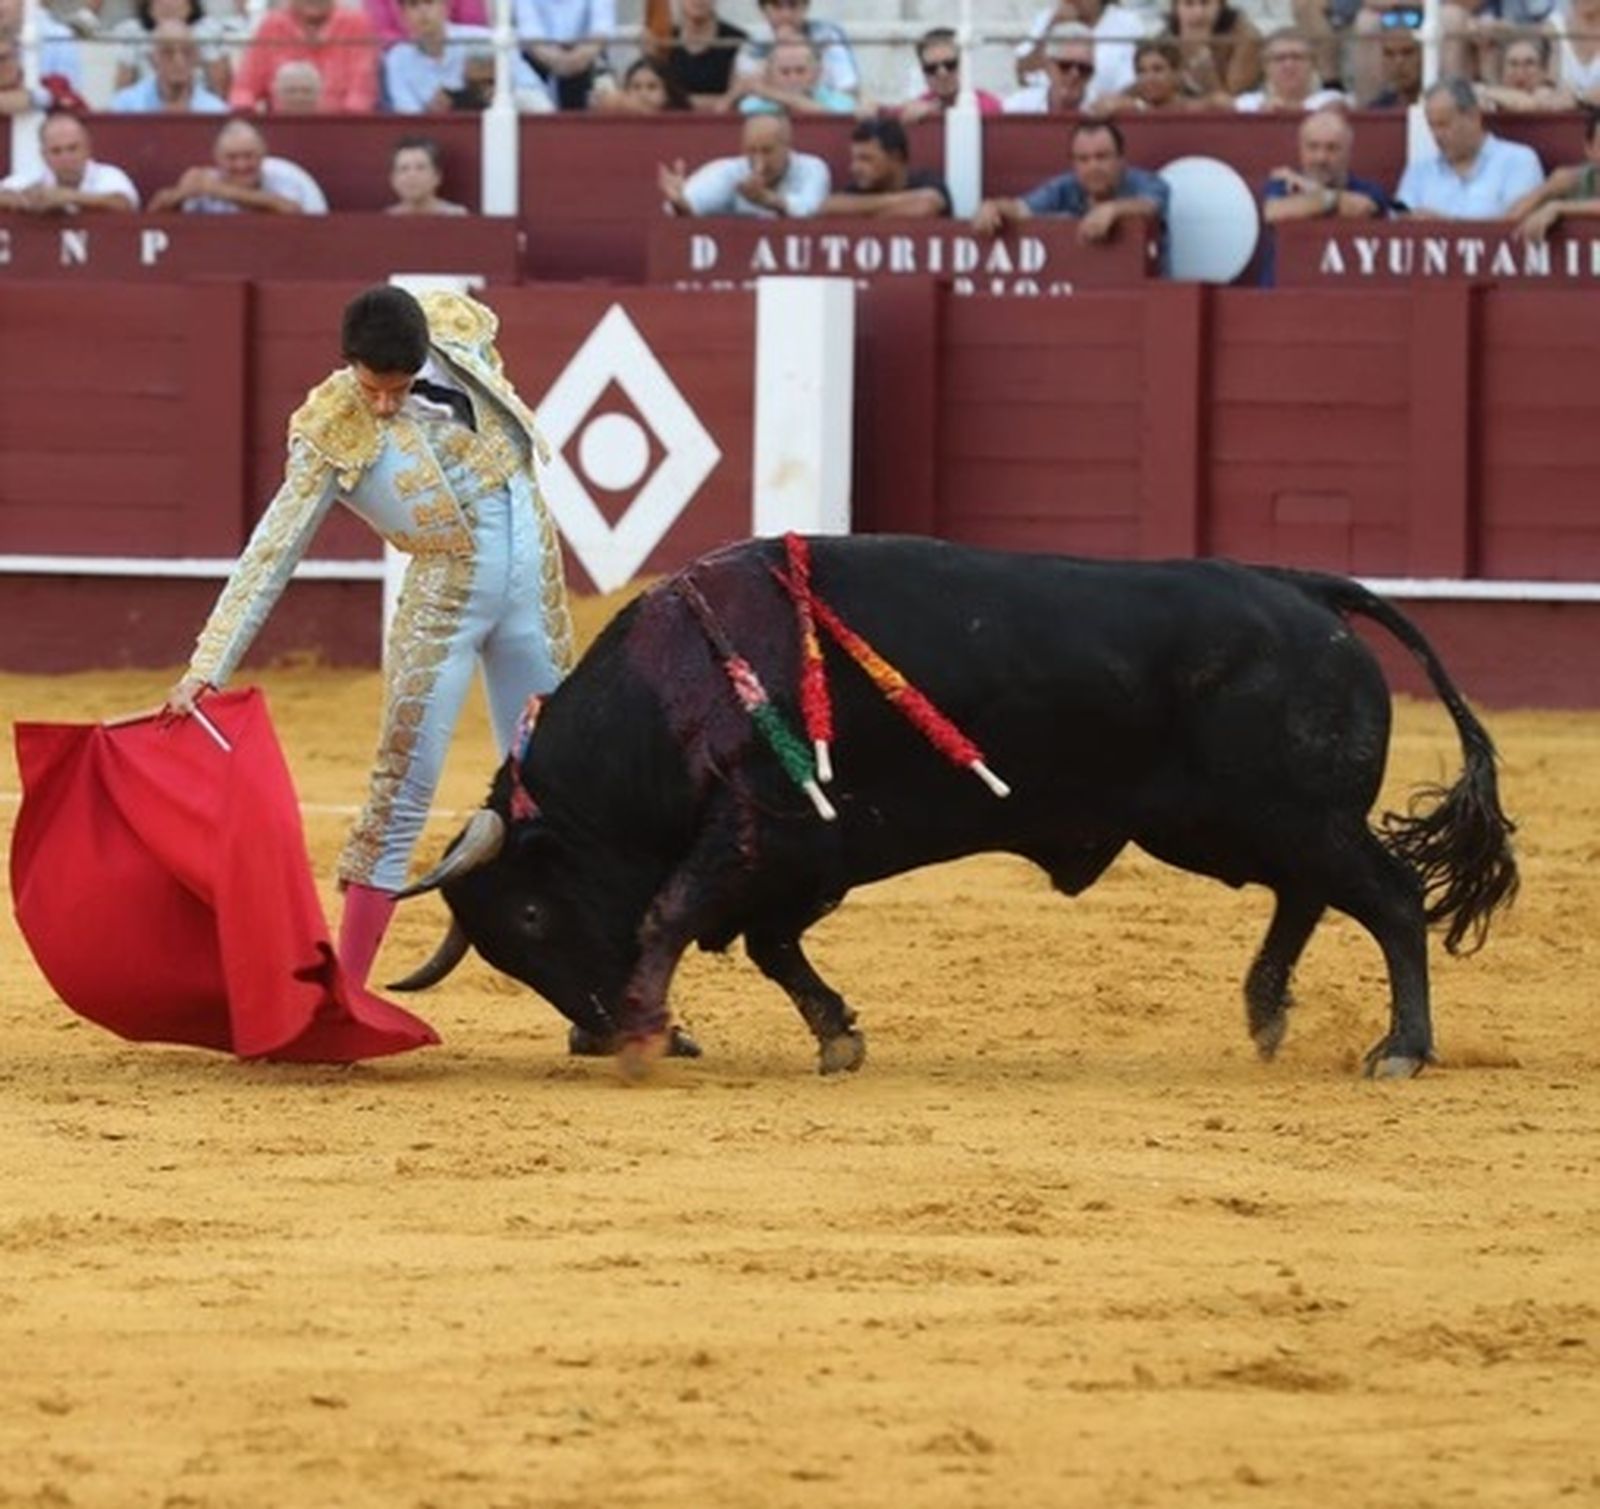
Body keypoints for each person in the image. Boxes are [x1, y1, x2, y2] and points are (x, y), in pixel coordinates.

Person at [163, 285, 576, 992]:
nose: (382, 402)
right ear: (347, 362)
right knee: (402, 789)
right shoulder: (332, 426)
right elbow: (273, 549)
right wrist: (209, 664)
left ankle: (611, 999)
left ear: (425, 358)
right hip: (443, 608)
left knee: (570, 787)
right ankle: (344, 993)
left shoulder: (459, 330)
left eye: (399, 387)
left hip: (535, 592)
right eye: (370, 386)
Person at [973, 117, 1171, 272]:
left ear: (1121, 160)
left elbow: (1152, 204)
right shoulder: (1065, 186)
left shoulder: (1146, 182)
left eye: (1101, 157)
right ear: (1073, 163)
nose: (1093, 167)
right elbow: (1022, 208)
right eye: (1083, 159)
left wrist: (1114, 210)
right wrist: (994, 207)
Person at [1259, 107, 1395, 284]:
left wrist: (1309, 190)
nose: (1321, 157)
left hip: (1346, 297)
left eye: (1332, 148)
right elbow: (1274, 213)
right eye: (1313, 147)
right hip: (1283, 295)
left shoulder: (1368, 189)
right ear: (1301, 149)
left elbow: (1362, 207)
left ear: (1348, 152)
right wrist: (1334, 201)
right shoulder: (1283, 185)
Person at [1396, 75, 1544, 216]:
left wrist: (1444, 227)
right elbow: (1398, 227)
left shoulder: (1518, 161)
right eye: (1432, 126)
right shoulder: (1418, 172)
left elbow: (1513, 228)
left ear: (1473, 117)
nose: (1437, 135)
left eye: (1444, 125)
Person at [386, 0, 550, 114]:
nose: (423, 12)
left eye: (429, 2)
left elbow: (536, 94)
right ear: (403, 15)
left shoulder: (486, 41)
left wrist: (502, 95)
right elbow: (406, 116)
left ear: (445, 7)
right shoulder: (397, 59)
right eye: (413, 5)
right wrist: (431, 110)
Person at [658, 109, 829, 217]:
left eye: (767, 150)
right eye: (751, 151)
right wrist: (679, 203)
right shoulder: (730, 172)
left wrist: (767, 200)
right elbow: (687, 208)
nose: (758, 160)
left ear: (787, 145)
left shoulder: (812, 168)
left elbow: (809, 210)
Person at [148, 118, 329, 214]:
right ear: (217, 159)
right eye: (232, 158)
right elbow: (154, 214)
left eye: (248, 156)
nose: (241, 165)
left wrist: (221, 191)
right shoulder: (203, 179)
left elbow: (291, 212)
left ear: (262, 156)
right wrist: (182, 193)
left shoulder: (283, 177)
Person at [229, 0, 380, 114]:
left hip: (340, 128)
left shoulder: (357, 24)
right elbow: (244, 89)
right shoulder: (272, 25)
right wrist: (246, 114)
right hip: (281, 127)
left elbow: (361, 94)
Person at [0, 110, 140, 214]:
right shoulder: (34, 176)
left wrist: (68, 197)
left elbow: (123, 204)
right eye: (56, 151)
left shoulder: (109, 175)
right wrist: (23, 200)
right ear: (44, 155)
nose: (65, 158)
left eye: (72, 148)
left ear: (87, 148)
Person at [1014, 0, 1151, 106]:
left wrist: (1105, 104)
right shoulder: (1048, 18)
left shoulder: (1127, 23)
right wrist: (1051, 28)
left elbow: (1138, 81)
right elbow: (1023, 74)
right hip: (1046, 109)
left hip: (1102, 116)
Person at [733, 0, 858, 106]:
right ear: (763, 9)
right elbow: (747, 93)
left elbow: (848, 92)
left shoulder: (828, 35)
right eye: (777, 7)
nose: (786, 15)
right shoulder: (755, 45)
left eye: (793, 6)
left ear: (805, 6)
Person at [819, 117, 950, 218]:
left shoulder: (926, 180)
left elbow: (926, 206)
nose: (854, 168)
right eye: (854, 159)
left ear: (895, 157)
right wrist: (898, 202)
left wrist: (862, 212)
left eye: (866, 159)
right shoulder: (861, 187)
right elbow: (830, 207)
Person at [1509, 108, 1600, 241]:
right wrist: (1545, 191)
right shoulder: (1573, 179)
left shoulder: (1559, 207)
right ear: (1589, 149)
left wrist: (1559, 208)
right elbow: (1508, 220)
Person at [109, 19, 228, 112]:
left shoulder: (215, 111)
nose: (179, 61)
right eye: (167, 52)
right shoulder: (126, 107)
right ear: (152, 60)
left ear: (196, 58)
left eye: (187, 52)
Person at [515, 0, 615, 110]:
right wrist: (560, 62)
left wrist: (574, 60)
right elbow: (531, 36)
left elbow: (601, 31)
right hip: (538, 61)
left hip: (586, 59)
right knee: (525, 96)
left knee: (609, 100)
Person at [1092, 34, 1233, 111]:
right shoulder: (1133, 106)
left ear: (1176, 73)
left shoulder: (1189, 107)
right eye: (1142, 71)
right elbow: (1100, 106)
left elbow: (1224, 103)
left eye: (1157, 69)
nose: (1149, 77)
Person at [898, 26, 1003, 122]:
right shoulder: (917, 106)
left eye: (950, 65)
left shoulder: (988, 105)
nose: (942, 73)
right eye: (931, 68)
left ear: (964, 64)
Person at [658, 0, 748, 109]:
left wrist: (681, 101)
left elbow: (739, 97)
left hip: (721, 121)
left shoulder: (737, 41)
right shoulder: (663, 40)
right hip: (671, 121)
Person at [1163, 0, 1261, 98]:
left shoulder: (1245, 37)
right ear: (1176, 8)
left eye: (1205, 3)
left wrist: (1202, 60)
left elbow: (1233, 100)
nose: (1198, 12)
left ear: (1220, 6)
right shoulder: (1166, 38)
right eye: (1189, 4)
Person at [734, 34, 852, 115]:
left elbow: (829, 119)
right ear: (770, 74)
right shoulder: (751, 106)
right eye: (785, 72)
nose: (793, 78)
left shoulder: (842, 102)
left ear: (817, 72)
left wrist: (772, 94)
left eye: (800, 71)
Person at [1234, 26, 1345, 111]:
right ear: (1265, 66)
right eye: (1279, 58)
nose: (1289, 65)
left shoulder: (1331, 99)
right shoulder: (1246, 105)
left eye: (1297, 57)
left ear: (1313, 64)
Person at [1004, 22, 1099, 114]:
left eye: (1084, 69)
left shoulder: (1101, 112)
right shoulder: (1018, 108)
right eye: (1065, 66)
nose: (1075, 74)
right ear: (1048, 65)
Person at [386, 134, 469, 213]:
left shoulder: (457, 216)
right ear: (393, 179)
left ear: (437, 177)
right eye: (404, 169)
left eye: (420, 168)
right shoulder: (386, 220)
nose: (412, 175)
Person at [1367, 24, 1422, 108]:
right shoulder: (1376, 112)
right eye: (1389, 54)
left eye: (1407, 52)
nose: (1398, 62)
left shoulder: (1446, 108)